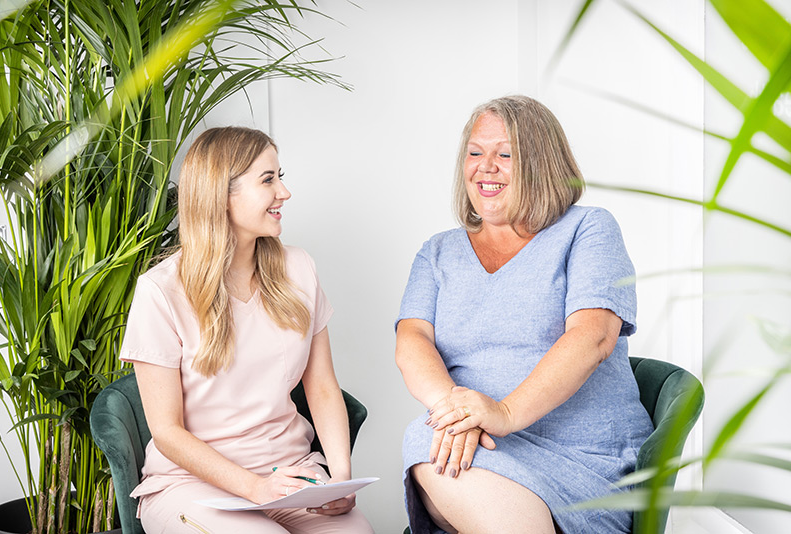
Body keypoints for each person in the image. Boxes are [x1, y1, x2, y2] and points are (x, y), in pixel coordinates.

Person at [395, 96, 654, 534]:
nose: (486, 166)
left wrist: (505, 412)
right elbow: (412, 340)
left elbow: (594, 336)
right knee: (424, 435)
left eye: (506, 154)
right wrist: (456, 413)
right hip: (486, 448)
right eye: (475, 152)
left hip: (584, 460)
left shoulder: (588, 228)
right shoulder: (437, 251)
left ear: (543, 163)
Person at [120, 127, 373, 533]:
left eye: (280, 176)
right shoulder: (160, 291)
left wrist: (339, 479)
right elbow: (166, 431)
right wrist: (254, 487)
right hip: (193, 486)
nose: (284, 193)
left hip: (292, 475)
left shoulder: (299, 268)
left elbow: (322, 386)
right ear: (221, 195)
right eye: (268, 180)